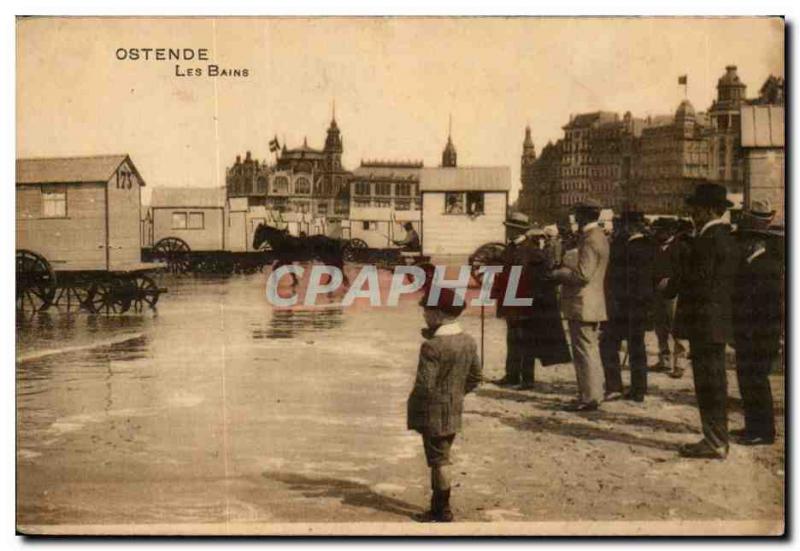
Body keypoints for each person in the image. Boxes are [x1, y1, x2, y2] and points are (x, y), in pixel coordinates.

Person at [672, 182, 738, 459]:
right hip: (718, 322)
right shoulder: (727, 238)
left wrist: (673, 284)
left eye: (696, 209)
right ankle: (717, 438)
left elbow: (698, 283)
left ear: (709, 210)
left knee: (709, 383)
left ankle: (714, 442)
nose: (692, 214)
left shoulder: (707, 241)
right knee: (716, 381)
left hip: (704, 323)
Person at [407, 286, 482, 522]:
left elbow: (424, 386)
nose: (424, 315)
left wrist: (417, 410)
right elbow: (475, 377)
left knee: (439, 462)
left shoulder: (432, 346)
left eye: (427, 311)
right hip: (454, 410)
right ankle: (439, 507)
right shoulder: (468, 341)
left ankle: (441, 509)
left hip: (433, 413)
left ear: (438, 314)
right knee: (441, 458)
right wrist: (455, 394)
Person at [493, 222, 571, 389]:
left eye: (510, 227)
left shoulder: (533, 250)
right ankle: (512, 375)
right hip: (510, 300)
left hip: (525, 301)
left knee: (526, 339)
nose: (507, 230)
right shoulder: (510, 248)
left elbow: (539, 276)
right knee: (512, 338)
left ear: (518, 230)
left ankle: (527, 379)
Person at [550, 199, 610, 412]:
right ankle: (592, 394)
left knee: (584, 351)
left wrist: (558, 273)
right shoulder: (598, 236)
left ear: (584, 216)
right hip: (591, 304)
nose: (574, 218)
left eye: (577, 214)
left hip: (582, 303)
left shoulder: (590, 239)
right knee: (589, 350)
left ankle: (589, 397)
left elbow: (583, 274)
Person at [732, 200, 782, 446]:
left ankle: (764, 432)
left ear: (754, 241)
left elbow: (770, 309)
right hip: (749, 336)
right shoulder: (752, 264)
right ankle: (753, 427)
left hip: (760, 337)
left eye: (744, 240)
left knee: (757, 384)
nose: (741, 244)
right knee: (747, 382)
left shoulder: (768, 267)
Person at [600, 211, 655, 402]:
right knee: (637, 347)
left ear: (629, 226)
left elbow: (617, 278)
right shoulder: (650, 246)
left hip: (623, 306)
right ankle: (639, 388)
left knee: (607, 344)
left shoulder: (625, 248)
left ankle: (614, 385)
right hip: (641, 306)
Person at [650, 218, 690, 377]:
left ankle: (680, 363)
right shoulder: (653, 247)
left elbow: (686, 272)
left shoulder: (682, 248)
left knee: (677, 329)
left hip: (674, 294)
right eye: (657, 230)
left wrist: (671, 282)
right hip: (656, 292)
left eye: (661, 230)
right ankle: (664, 360)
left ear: (671, 231)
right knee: (660, 328)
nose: (658, 233)